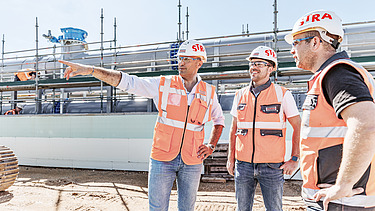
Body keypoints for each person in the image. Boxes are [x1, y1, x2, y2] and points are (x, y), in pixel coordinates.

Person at [59, 40, 225, 211]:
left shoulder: (209, 92)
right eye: (180, 58)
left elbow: (219, 120)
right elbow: (128, 82)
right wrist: (92, 70)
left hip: (192, 160)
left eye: (186, 59)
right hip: (162, 159)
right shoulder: (163, 84)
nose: (180, 63)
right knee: (157, 208)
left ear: (199, 61)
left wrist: (211, 145)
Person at [285, 10, 375, 210]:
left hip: (340, 202)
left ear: (316, 42)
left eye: (295, 43)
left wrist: (343, 185)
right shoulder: (335, 75)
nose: (292, 50)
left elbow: (366, 126)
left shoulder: (338, 74)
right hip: (337, 200)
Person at [226, 46, 301, 211]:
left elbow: (298, 126)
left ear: (271, 68)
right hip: (243, 165)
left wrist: (294, 158)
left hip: (272, 166)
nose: (254, 67)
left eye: (259, 63)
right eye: (252, 63)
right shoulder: (240, 95)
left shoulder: (283, 94)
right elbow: (234, 130)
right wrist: (231, 159)